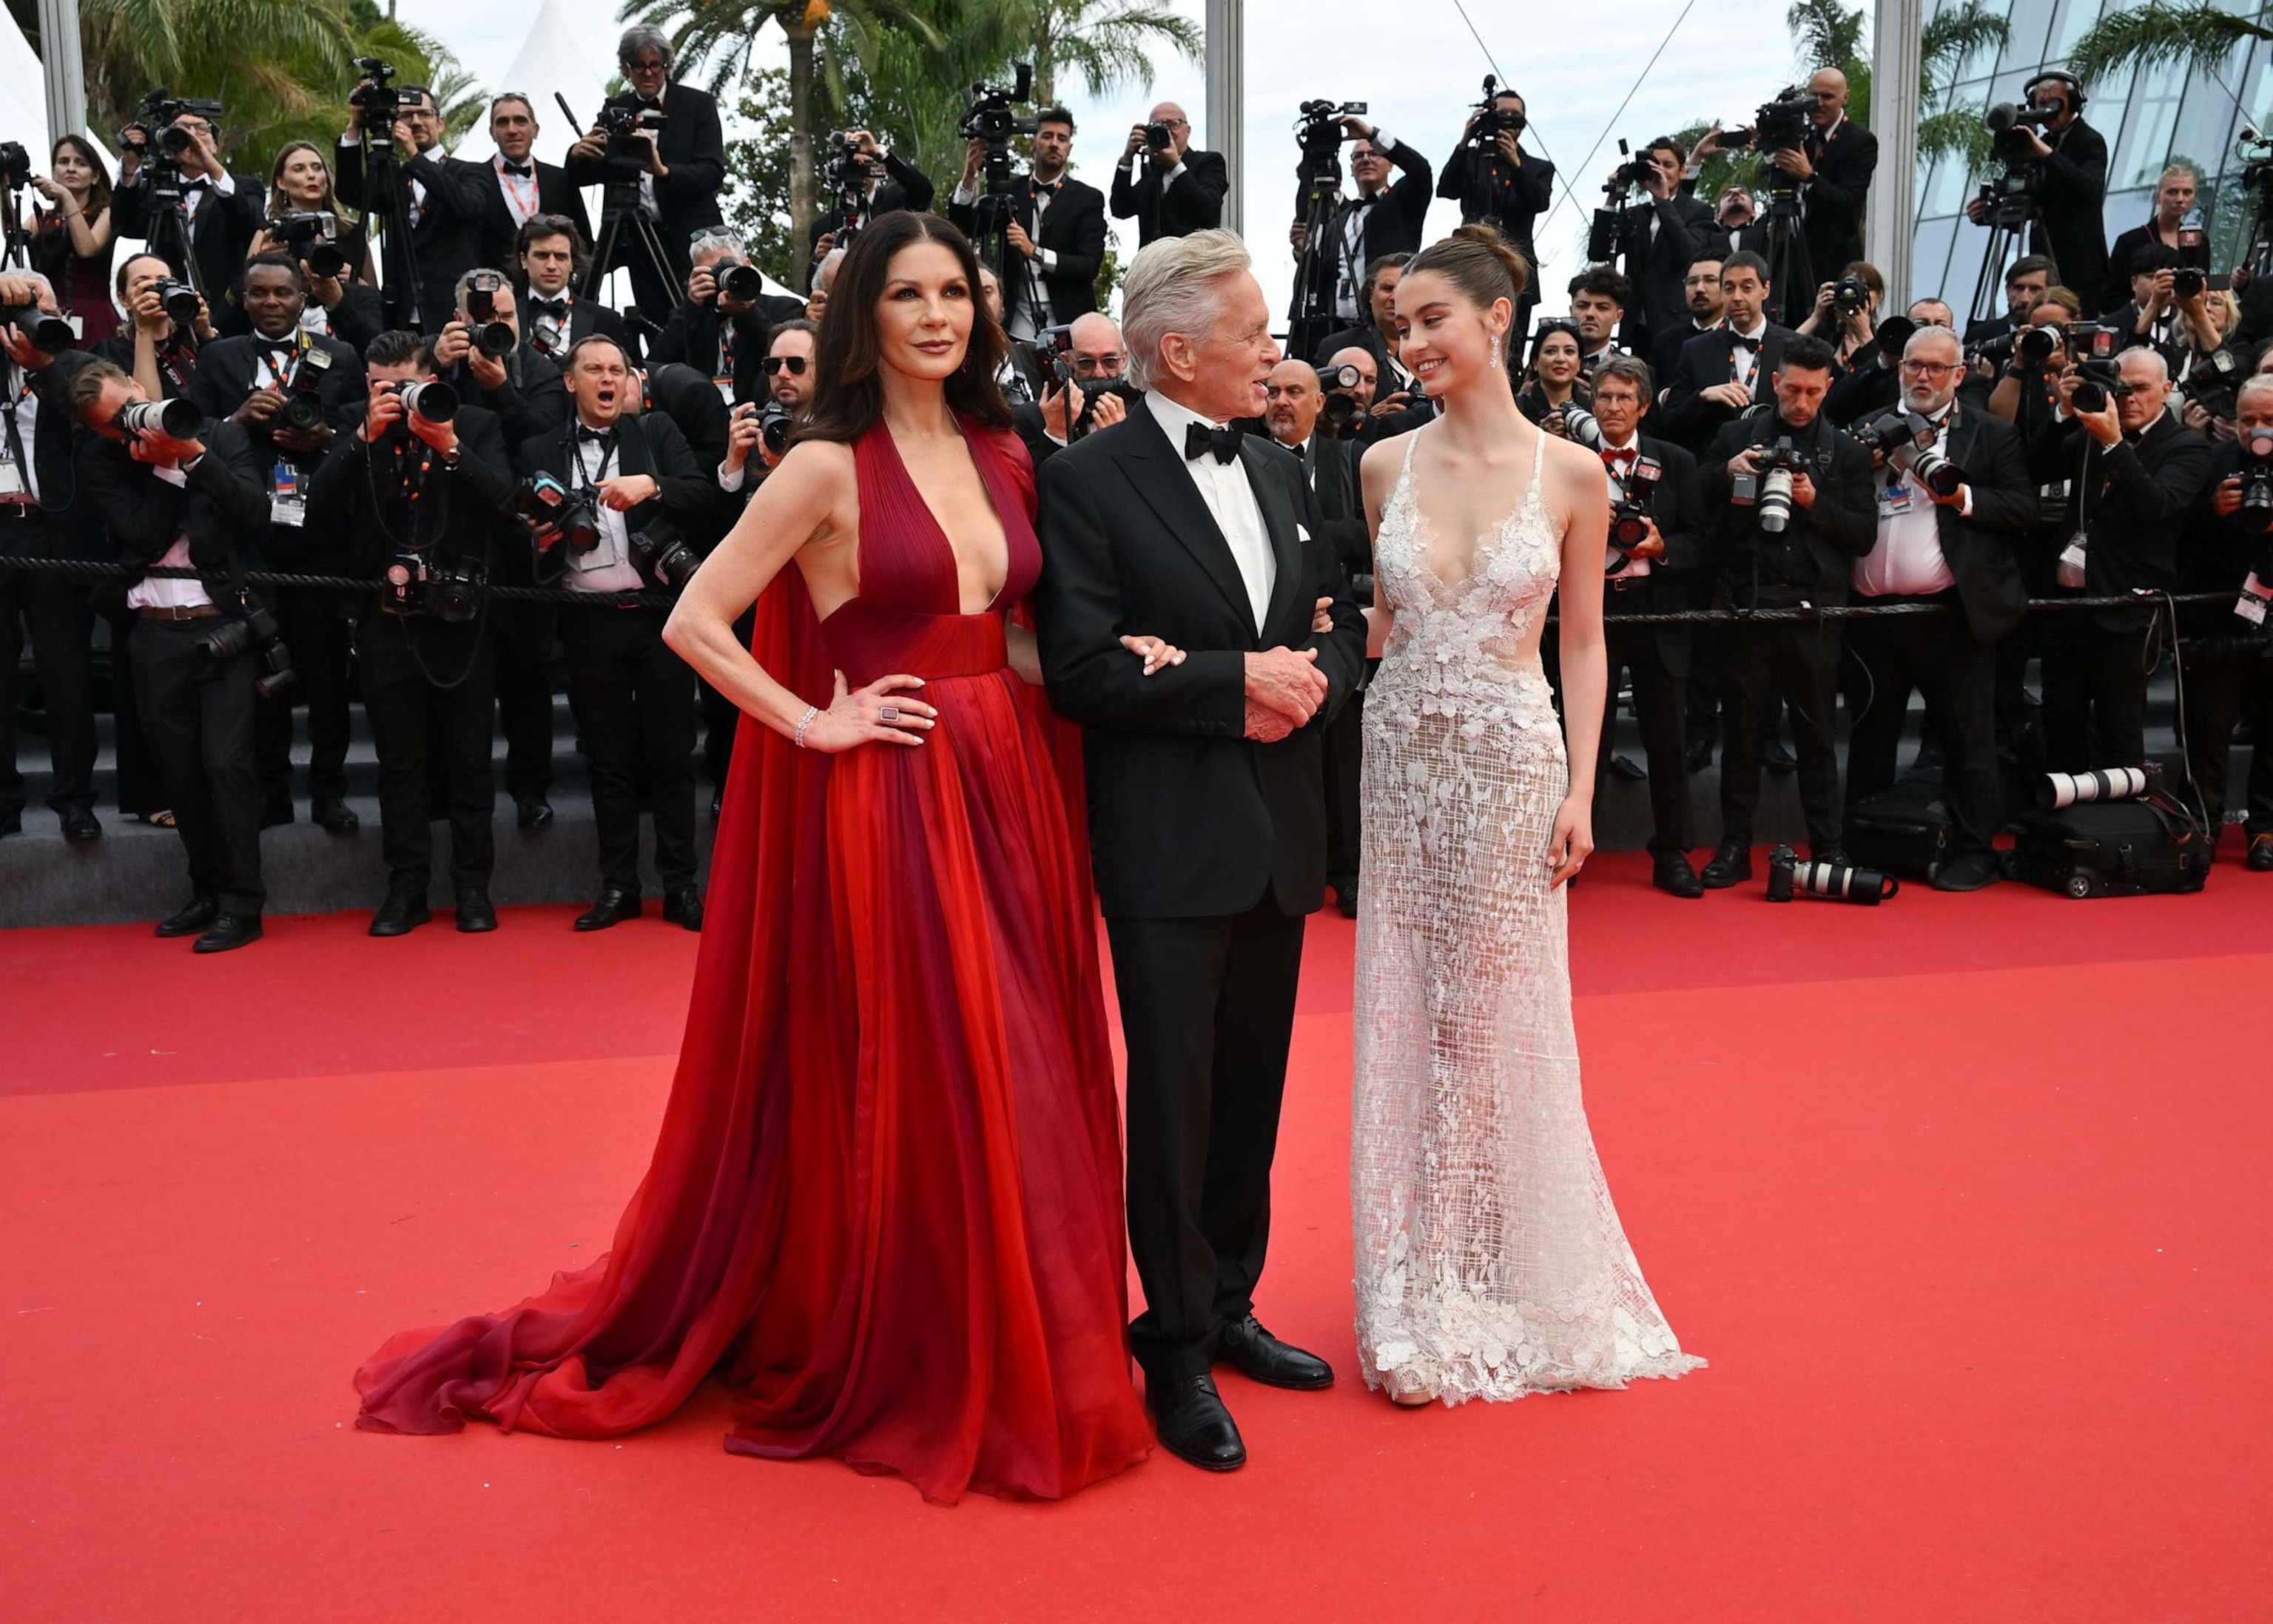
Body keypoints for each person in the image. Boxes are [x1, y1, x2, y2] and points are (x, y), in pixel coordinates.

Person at [355, 212, 1159, 1508]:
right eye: (909, 295)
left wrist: (1137, 669)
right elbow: (694, 618)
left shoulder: (1010, 450)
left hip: (1008, 784)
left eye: (957, 292)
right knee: (935, 1063)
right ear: (866, 318)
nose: (939, 316)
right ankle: (919, 1343)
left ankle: (1021, 1333)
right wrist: (813, 718)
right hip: (892, 790)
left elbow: (1009, 639)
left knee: (1024, 1062)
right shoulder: (822, 465)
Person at [1031, 228, 1367, 1470]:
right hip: (1169, 847)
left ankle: (1229, 1305)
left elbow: (1336, 632)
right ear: (1178, 352)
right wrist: (1237, 680)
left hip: (1278, 831)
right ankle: (1169, 1344)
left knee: (1248, 1095)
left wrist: (1311, 681)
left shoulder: (1283, 469)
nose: (1272, 356)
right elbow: (1079, 668)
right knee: (1171, 1103)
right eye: (1253, 336)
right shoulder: (1086, 481)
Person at [1350, 223, 1700, 1404]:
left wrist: (1581, 783)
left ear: (1498, 317)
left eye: (1431, 320)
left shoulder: (1575, 473)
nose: (1411, 345)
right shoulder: (1381, 467)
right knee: (1412, 1006)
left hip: (1510, 760)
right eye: (1400, 326)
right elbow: (1385, 629)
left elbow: (1585, 643)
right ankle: (1417, 1279)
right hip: (1401, 761)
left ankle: (1470, 1273)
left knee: (1490, 1017)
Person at [308, 331, 515, 932]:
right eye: (381, 387)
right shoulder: (355, 425)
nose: (394, 397)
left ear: (434, 380)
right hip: (383, 619)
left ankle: (474, 889)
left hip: (463, 618)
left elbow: (508, 505)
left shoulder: (470, 421)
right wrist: (361, 438)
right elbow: (314, 510)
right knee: (400, 763)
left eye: (406, 386)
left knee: (470, 760)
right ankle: (407, 890)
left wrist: (448, 446)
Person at [516, 334, 716, 930]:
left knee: (673, 756)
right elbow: (526, 545)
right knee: (608, 758)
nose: (607, 379)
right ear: (571, 382)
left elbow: (704, 494)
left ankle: (681, 886)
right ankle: (618, 886)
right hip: (587, 623)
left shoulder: (655, 435)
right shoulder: (538, 448)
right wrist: (542, 538)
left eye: (617, 369)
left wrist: (651, 486)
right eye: (594, 369)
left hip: (660, 618)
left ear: (629, 381)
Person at [70, 360, 272, 950]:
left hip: (224, 628)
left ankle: (243, 903)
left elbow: (255, 514)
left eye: (127, 409)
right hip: (156, 635)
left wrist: (190, 454)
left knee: (226, 765)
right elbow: (141, 537)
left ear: (139, 388)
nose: (127, 426)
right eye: (112, 425)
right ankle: (207, 889)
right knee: (179, 772)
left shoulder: (220, 433)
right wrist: (162, 468)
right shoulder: (104, 460)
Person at [1840, 325, 2033, 892]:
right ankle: (1862, 842)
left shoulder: (1990, 434)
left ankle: (1976, 849)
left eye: (1934, 367)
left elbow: (2023, 508)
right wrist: (1860, 461)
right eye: (1912, 365)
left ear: (1958, 374)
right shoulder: (1865, 428)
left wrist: (1963, 497)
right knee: (1871, 735)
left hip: (1951, 614)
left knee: (1969, 740)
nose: (1921, 375)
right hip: (1872, 615)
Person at [187, 254, 364, 832]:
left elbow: (359, 438)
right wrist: (237, 417)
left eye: (281, 293)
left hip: (319, 535)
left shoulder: (337, 355)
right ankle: (271, 791)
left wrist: (325, 434)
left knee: (327, 674)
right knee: (262, 674)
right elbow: (191, 438)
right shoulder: (217, 357)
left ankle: (329, 789)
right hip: (249, 536)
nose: (270, 302)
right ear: (244, 298)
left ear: (300, 297)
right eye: (258, 293)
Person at [1695, 332, 1876, 884]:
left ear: (1828, 389)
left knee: (1818, 737)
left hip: (1813, 611)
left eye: (1813, 393)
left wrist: (1814, 501)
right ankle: (1733, 847)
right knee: (1744, 734)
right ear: (1775, 383)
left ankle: (1828, 845)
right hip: (1748, 606)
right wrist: (1729, 472)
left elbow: (1863, 535)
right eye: (1792, 390)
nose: (1801, 402)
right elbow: (1697, 504)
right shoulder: (1737, 435)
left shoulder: (1843, 452)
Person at [2027, 346, 2209, 771]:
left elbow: (2156, 506)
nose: (2128, 398)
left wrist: (2112, 443)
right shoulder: (2091, 433)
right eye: (2121, 388)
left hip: (2127, 609)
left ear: (2166, 390)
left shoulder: (2186, 446)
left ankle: (2122, 828)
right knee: (2060, 721)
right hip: (2066, 605)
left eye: (2141, 389)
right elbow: (2034, 468)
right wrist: (2064, 413)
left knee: (2120, 726)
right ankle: (2067, 827)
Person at [1590, 354, 1710, 894]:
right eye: (1603, 397)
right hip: (1591, 611)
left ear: (1643, 405)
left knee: (1667, 737)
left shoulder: (1676, 461)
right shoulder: (1571, 461)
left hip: (1658, 608)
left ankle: (1672, 852)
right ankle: (1572, 848)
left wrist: (1662, 549)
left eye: (1623, 398)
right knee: (1586, 738)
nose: (1612, 408)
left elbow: (1702, 541)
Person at [1263, 357, 1370, 917]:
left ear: (1319, 401)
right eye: (1273, 390)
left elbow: (1369, 533)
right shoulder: (1246, 457)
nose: (1281, 401)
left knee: (1341, 751)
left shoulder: (1345, 459)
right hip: (1268, 633)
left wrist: (1303, 534)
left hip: (1339, 622)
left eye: (1294, 391)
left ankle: (1347, 868)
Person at [0, 274, 104, 840]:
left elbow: (96, 414)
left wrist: (43, 361)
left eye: (35, 305)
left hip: (54, 534)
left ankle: (76, 800)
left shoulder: (78, 361)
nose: (23, 318)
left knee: (67, 675)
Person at [566, 27, 727, 314]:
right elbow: (586, 176)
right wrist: (578, 154)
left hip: (688, 237)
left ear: (668, 66)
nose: (648, 73)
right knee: (652, 319)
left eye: (656, 65)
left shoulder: (697, 105)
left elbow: (712, 172)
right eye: (638, 66)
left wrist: (663, 170)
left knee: (699, 317)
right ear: (626, 69)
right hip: (633, 238)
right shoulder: (615, 108)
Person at [2182, 373, 2273, 869]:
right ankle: (2203, 826)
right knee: (2209, 731)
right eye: (2249, 419)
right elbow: (2181, 538)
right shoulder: (2213, 462)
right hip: (2220, 622)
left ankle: (2266, 829)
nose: (2258, 429)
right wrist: (2212, 511)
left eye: (2270, 421)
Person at [333, 81, 489, 335]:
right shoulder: (394, 177)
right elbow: (350, 192)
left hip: (454, 306)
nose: (416, 122)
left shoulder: (472, 171)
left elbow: (466, 205)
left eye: (425, 114)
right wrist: (355, 126)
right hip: (403, 310)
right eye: (405, 116)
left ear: (441, 123)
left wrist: (415, 156)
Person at [948, 106, 1107, 338]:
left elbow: (1089, 265)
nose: (1054, 143)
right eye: (1047, 136)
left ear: (1069, 148)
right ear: (1034, 143)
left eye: (1062, 138)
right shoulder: (1008, 191)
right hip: (1016, 315)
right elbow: (965, 225)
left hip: (1069, 318)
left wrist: (1035, 252)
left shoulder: (1088, 198)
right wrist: (969, 176)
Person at [1966, 70, 2107, 316]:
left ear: (2073, 103)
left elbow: (2090, 188)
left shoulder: (2090, 140)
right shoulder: (2039, 142)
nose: (2047, 111)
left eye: (2054, 103)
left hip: (2080, 267)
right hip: (2043, 258)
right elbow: (2032, 196)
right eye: (2041, 104)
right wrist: (1987, 214)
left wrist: (2047, 155)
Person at [112, 105, 263, 322]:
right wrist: (130, 165)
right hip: (168, 311)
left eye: (201, 129)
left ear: (216, 146)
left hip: (226, 313)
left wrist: (212, 168)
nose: (191, 136)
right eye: (181, 130)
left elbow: (252, 225)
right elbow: (123, 226)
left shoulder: (244, 187)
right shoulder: (156, 188)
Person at [1291, 121, 1434, 340]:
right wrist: (1304, 250)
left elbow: (1421, 170)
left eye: (1375, 153)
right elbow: (1325, 274)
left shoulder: (1402, 204)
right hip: (1336, 328)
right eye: (1358, 156)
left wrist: (1371, 134)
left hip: (1386, 327)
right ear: (1351, 168)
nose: (1366, 159)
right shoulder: (1341, 218)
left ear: (1390, 163)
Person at [1438, 85, 1553, 334]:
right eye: (1502, 114)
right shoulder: (1471, 158)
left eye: (1515, 115)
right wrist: (1464, 141)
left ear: (1524, 123)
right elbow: (1446, 189)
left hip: (1518, 263)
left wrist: (1517, 165)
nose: (1508, 120)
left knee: (1515, 337)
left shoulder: (1538, 166)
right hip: (1471, 258)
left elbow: (1539, 202)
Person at [1663, 251, 1799, 454]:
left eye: (1747, 287)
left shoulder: (1794, 346)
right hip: (1713, 469)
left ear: (1766, 289)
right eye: (1729, 288)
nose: (1737, 297)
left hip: (1776, 464)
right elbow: (1670, 422)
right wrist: (1703, 397)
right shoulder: (1695, 349)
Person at [650, 230, 806, 405]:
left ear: (747, 266)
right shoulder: (691, 317)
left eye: (727, 269)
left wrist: (747, 313)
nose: (721, 279)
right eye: (712, 273)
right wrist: (691, 308)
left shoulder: (784, 308)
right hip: (704, 419)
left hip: (760, 413)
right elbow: (656, 366)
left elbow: (786, 360)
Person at [1609, 138, 1713, 357]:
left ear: (1683, 171)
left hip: (1675, 321)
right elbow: (1599, 251)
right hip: (1637, 325)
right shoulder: (1637, 214)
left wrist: (1664, 202)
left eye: (1668, 165)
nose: (1661, 171)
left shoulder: (1698, 211)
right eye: (1655, 165)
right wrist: (1612, 197)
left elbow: (1690, 254)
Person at [473, 94, 593, 276]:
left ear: (535, 130)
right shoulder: (473, 180)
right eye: (503, 122)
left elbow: (583, 245)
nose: (512, 130)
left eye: (520, 121)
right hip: (496, 295)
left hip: (555, 296)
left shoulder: (561, 179)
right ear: (492, 133)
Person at [1784, 68, 1876, 296]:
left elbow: (1848, 202)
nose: (1818, 103)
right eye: (1813, 96)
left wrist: (1810, 177)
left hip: (1832, 262)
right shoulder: (1800, 136)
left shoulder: (1860, 141)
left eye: (1827, 97)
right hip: (1791, 256)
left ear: (1845, 98)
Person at [27, 135, 121, 343]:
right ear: (54, 172)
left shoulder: (106, 213)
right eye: (63, 162)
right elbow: (11, 235)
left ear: (95, 177)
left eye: (81, 163)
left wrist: (66, 197)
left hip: (94, 316)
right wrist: (4, 191)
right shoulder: (41, 217)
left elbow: (87, 249)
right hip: (48, 313)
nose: (71, 169)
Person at [803, 128, 935, 263]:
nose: (858, 173)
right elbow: (810, 283)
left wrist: (879, 153)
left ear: (875, 168)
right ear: (838, 169)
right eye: (852, 166)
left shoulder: (895, 199)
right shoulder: (823, 226)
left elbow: (924, 191)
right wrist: (817, 261)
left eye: (864, 165)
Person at [515, 213, 627, 364]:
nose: (551, 266)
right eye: (542, 256)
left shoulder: (606, 320)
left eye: (560, 257)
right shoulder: (505, 315)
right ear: (524, 260)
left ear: (572, 263)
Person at [1110, 102, 1226, 246]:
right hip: (1154, 264)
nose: (1166, 131)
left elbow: (1210, 208)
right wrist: (1127, 158)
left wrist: (1176, 166)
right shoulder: (1151, 171)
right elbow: (1120, 209)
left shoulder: (1209, 162)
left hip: (1195, 261)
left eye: (1173, 124)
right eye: (1157, 125)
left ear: (1188, 130)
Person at [1650, 254, 1725, 390]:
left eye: (1710, 280)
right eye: (1692, 282)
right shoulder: (1665, 343)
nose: (1699, 289)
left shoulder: (1739, 338)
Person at [1569, 268, 1630, 374]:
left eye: (1602, 308)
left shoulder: (1634, 372)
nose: (1590, 314)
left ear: (1618, 316)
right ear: (1571, 311)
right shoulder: (1547, 364)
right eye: (1582, 306)